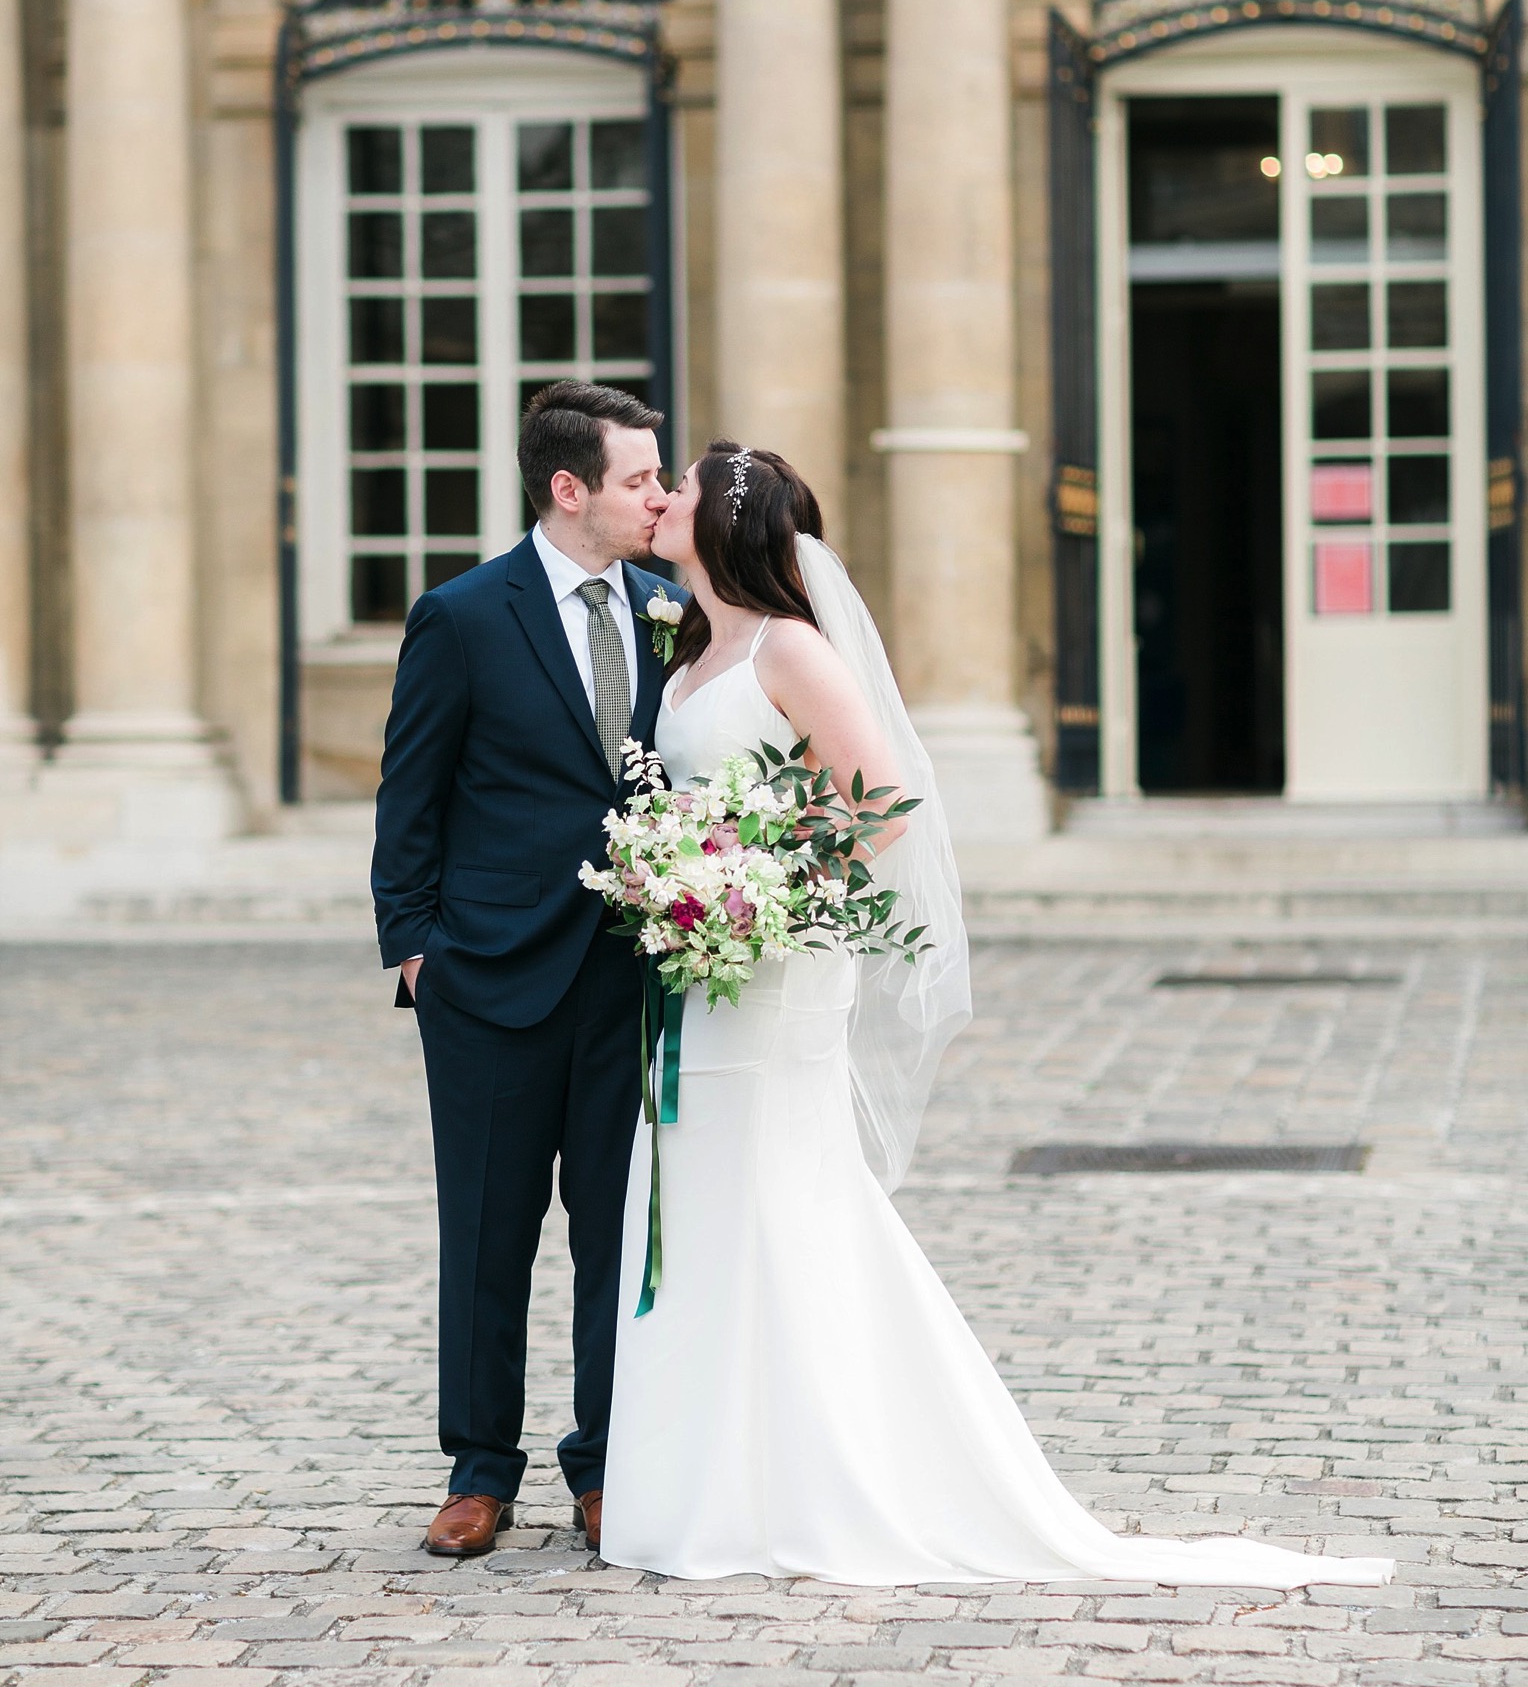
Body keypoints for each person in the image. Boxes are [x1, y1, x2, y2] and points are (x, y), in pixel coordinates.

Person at [597, 439, 1394, 1589]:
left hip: (774, 968)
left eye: (679, 489)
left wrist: (755, 885)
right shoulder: (684, 646)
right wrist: (680, 878)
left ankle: (817, 1478)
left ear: (721, 523)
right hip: (698, 972)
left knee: (779, 1196)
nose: (659, 500)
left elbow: (883, 807)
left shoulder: (793, 649)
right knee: (703, 1195)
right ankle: (707, 1482)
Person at [371, 380, 678, 1561]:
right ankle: (477, 1471)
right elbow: (412, 793)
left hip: (628, 977)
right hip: (487, 978)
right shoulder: (462, 614)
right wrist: (414, 951)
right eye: (640, 478)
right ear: (570, 489)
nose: (659, 496)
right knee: (489, 1234)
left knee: (616, 1236)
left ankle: (605, 1465)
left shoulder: (669, 611)